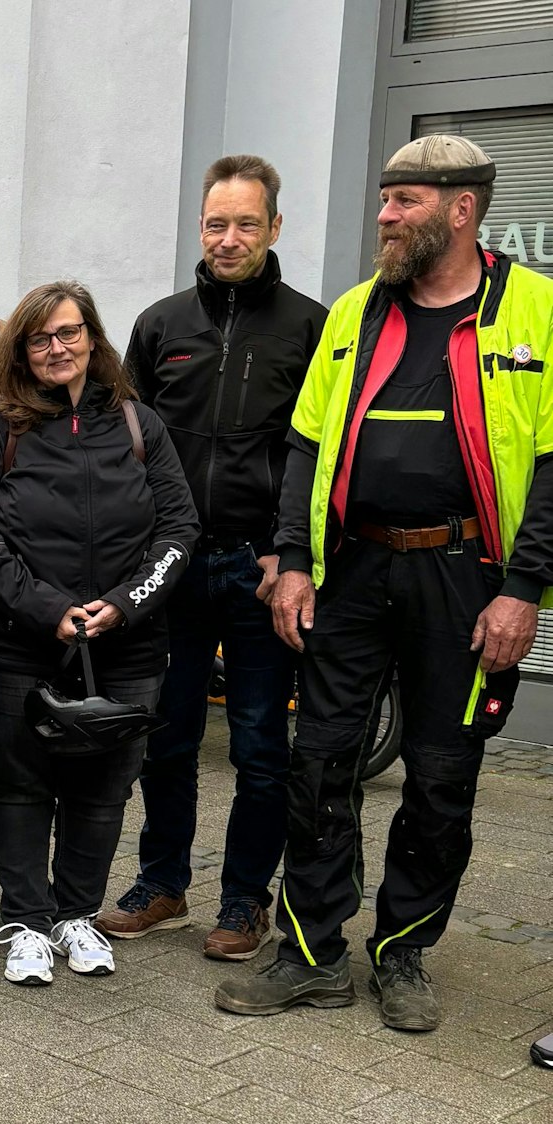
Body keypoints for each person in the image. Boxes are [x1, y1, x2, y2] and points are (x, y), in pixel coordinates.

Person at [217, 136, 553, 1032]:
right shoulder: (355, 312)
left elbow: (552, 469)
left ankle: (401, 951)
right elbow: (305, 444)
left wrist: (522, 588)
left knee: (441, 775)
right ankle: (311, 953)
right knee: (319, 762)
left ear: (460, 208)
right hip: (353, 570)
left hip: (468, 579)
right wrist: (294, 560)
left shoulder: (536, 311)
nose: (384, 216)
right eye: (383, 199)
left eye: (403, 201)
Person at [101, 155, 326, 959]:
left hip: (260, 570)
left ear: (274, 227)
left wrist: (288, 553)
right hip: (173, 567)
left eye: (245, 224)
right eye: (214, 224)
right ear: (199, 228)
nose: (228, 238)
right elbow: (126, 446)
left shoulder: (311, 328)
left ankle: (242, 902)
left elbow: (320, 454)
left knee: (261, 746)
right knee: (164, 735)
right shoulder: (159, 325)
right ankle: (161, 884)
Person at [0, 280, 199, 986]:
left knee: (104, 786)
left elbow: (179, 528)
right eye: (40, 337)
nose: (56, 348)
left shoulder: (139, 424)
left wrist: (123, 604)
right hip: (8, 642)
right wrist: (47, 608)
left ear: (92, 337)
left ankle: (76, 914)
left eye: (69, 332)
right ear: (20, 349)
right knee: (19, 782)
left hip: (126, 642)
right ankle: (28, 921)